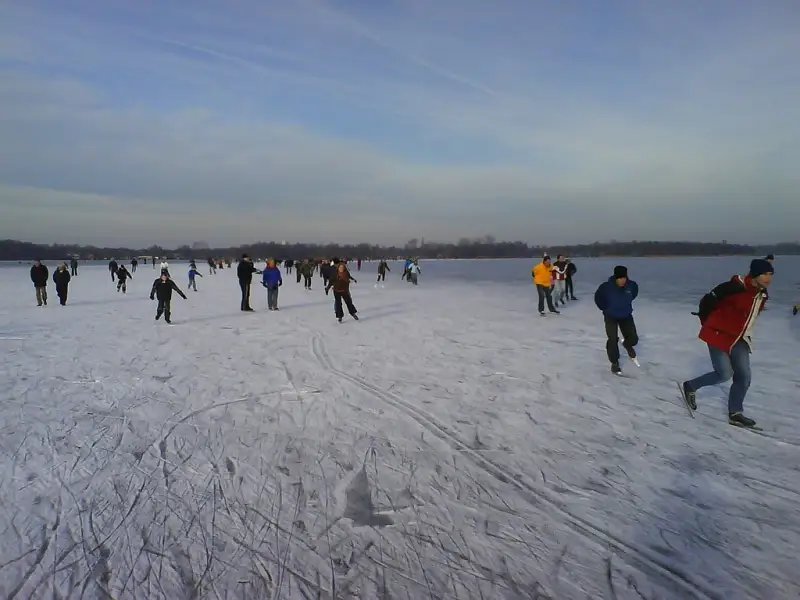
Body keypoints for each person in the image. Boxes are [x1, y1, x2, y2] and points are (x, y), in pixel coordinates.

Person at [681, 259, 773, 428]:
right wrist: (710, 324)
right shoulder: (734, 288)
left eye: (770, 274)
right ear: (755, 274)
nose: (769, 278)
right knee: (724, 374)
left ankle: (735, 413)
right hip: (718, 335)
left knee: (744, 377)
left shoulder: (762, 295)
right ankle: (690, 386)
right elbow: (708, 302)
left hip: (739, 338)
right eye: (765, 274)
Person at [594, 265, 639, 375]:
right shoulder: (606, 287)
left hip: (626, 315)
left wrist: (626, 304)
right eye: (620, 278)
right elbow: (598, 298)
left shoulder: (631, 285)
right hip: (611, 316)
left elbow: (634, 293)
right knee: (612, 339)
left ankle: (627, 344)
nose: (622, 280)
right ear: (615, 278)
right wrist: (605, 307)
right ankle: (614, 362)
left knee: (634, 339)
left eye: (624, 278)